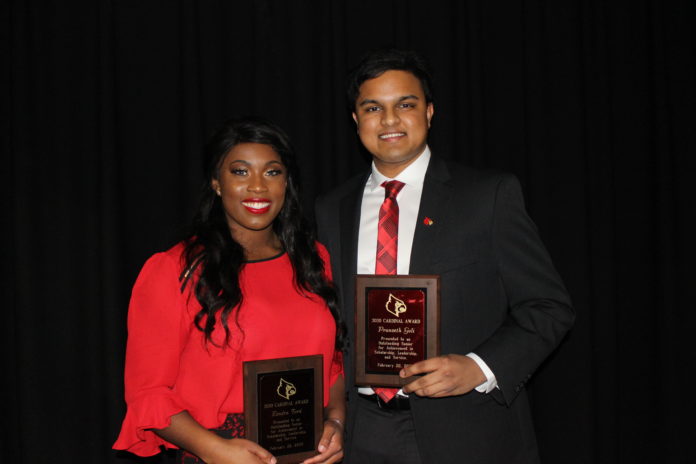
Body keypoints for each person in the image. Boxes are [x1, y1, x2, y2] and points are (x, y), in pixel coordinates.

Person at [315, 49, 575, 463]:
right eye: (372, 108)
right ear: (355, 120)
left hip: (467, 431)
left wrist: (479, 367)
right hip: (362, 435)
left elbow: (548, 307)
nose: (389, 120)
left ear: (430, 112)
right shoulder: (331, 209)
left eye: (406, 104)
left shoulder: (488, 197)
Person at [114, 117, 345, 464]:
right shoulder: (174, 269)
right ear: (216, 183)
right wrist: (214, 450)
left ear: (287, 182)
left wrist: (336, 422)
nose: (258, 187)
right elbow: (148, 393)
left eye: (272, 172)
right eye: (240, 172)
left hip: (308, 454)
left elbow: (334, 366)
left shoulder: (314, 260)